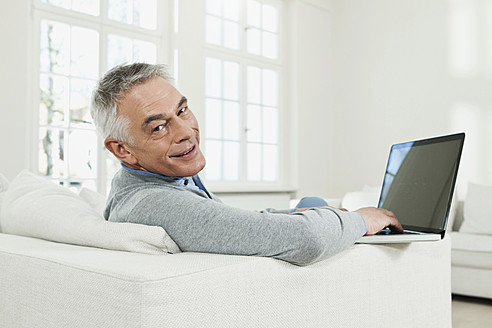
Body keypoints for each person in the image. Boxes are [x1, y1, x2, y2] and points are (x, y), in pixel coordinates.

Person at [90, 63, 402, 266]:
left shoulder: (146, 182)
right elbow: (308, 239)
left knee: (312, 205)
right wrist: (363, 220)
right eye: (158, 127)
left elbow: (226, 220)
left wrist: (300, 215)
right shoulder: (154, 204)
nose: (186, 133)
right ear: (122, 150)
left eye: (182, 111)